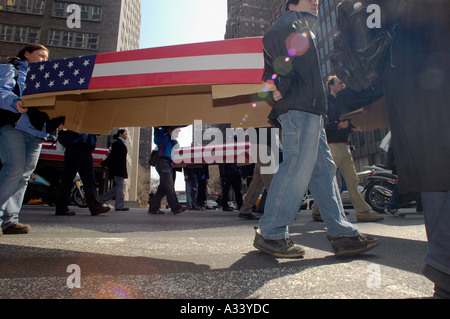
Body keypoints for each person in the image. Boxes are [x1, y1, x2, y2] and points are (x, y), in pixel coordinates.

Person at [253, 0, 380, 258]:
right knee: (298, 164)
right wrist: (281, 86)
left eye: (317, 0)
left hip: (311, 110)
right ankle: (271, 232)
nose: (315, 2)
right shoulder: (287, 24)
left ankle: (342, 233)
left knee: (323, 171)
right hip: (300, 108)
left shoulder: (302, 26)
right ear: (291, 4)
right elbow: (274, 43)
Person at [380, 0, 450, 298]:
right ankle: (443, 264)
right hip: (433, 67)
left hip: (409, 78)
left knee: (435, 173)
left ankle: (443, 277)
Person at [0, 44, 64, 235]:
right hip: (14, 128)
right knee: (13, 170)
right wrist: (14, 102)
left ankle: (11, 221)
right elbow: (1, 91)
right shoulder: (11, 69)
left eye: (46, 58)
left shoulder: (45, 78)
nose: (44, 60)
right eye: (40, 55)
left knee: (24, 176)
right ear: (26, 54)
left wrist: (59, 119)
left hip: (37, 134)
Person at [312, 76, 383, 222]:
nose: (342, 85)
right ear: (331, 86)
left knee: (352, 179)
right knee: (329, 178)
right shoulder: (326, 102)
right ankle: (318, 210)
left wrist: (352, 128)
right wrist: (339, 125)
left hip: (343, 145)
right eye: (339, 83)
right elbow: (323, 124)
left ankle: (362, 211)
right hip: (332, 145)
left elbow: (344, 122)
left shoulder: (340, 102)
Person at [55, 130, 110, 216]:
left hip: (86, 150)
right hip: (75, 148)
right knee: (68, 178)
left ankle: (94, 206)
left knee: (89, 180)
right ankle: (61, 207)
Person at [148, 126, 187, 215]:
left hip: (168, 163)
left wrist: (172, 136)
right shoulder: (162, 133)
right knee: (169, 185)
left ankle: (153, 205)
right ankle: (176, 208)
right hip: (162, 161)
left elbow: (177, 147)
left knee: (163, 188)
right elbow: (156, 140)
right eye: (177, 132)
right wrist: (157, 129)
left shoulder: (171, 138)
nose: (178, 134)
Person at [97, 129, 129, 211]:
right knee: (120, 187)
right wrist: (105, 163)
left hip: (119, 168)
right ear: (120, 134)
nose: (126, 135)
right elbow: (113, 156)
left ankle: (99, 200)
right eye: (125, 133)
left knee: (118, 187)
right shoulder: (117, 143)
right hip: (118, 168)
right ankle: (119, 205)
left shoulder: (121, 143)